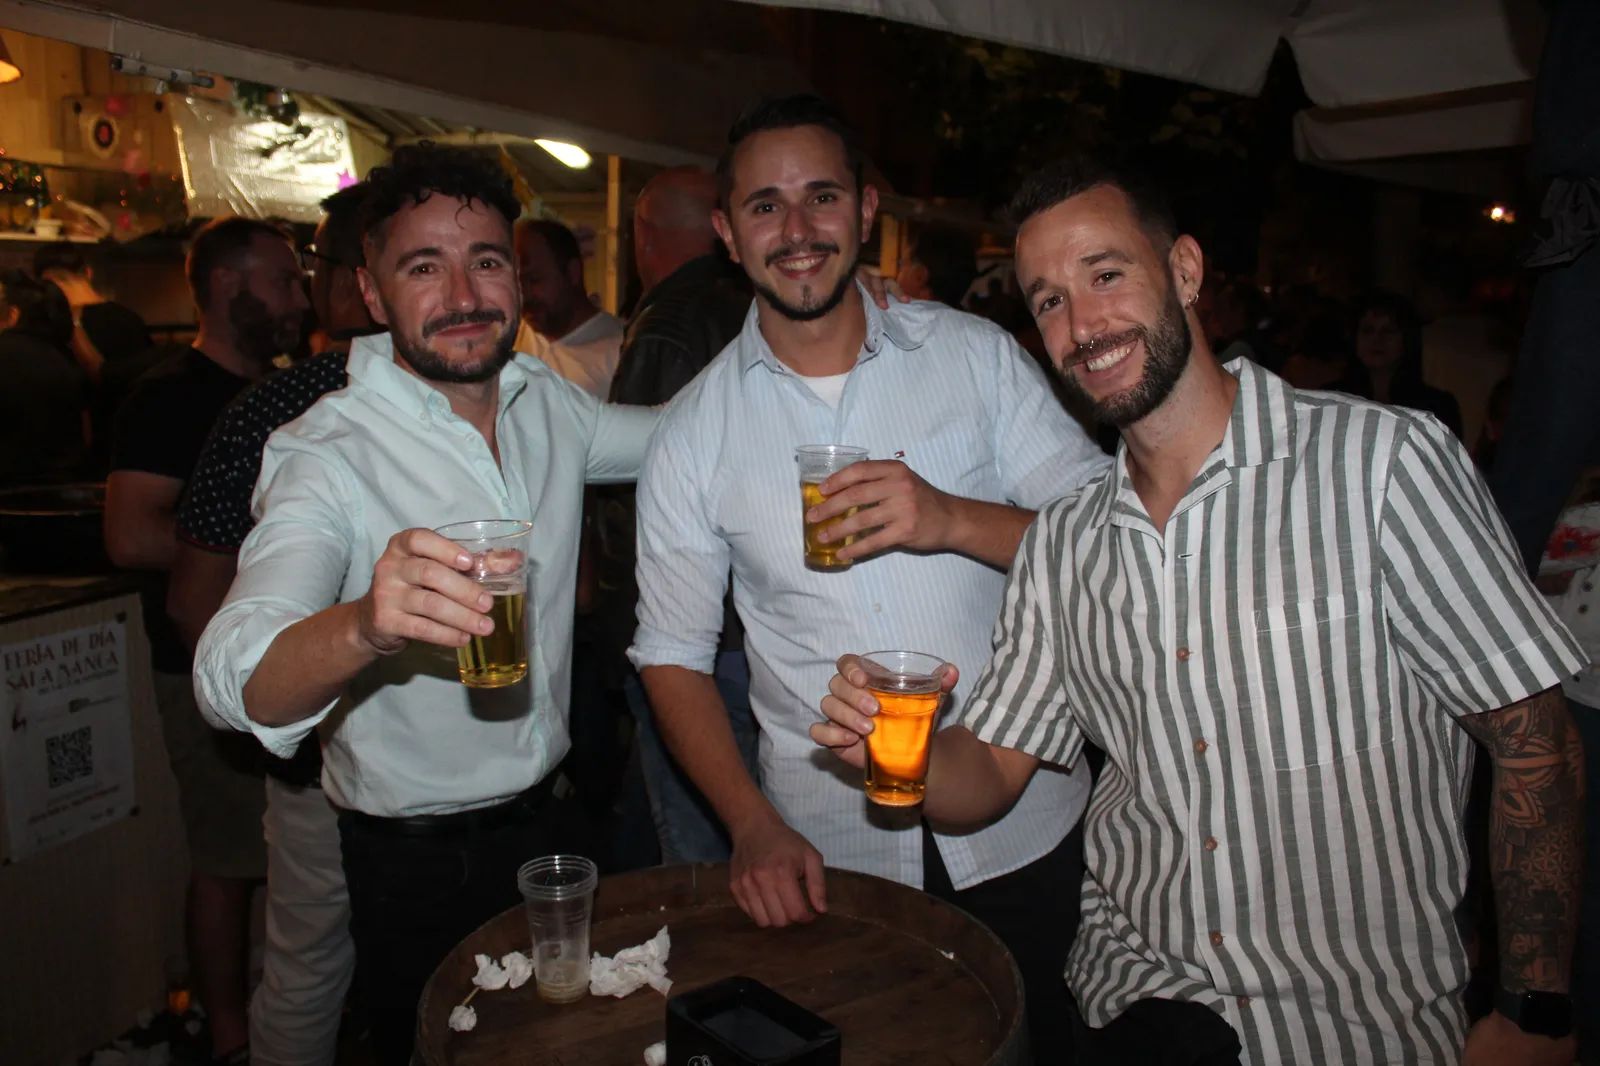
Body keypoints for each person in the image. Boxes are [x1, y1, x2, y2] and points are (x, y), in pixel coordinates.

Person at [812, 155, 1588, 1066]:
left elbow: (1534, 736)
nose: (1083, 325)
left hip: (1353, 1031)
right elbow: (982, 776)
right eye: (1050, 300)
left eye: (1106, 275)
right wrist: (891, 746)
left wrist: (1532, 1011)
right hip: (1131, 1011)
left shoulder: (1381, 466)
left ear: (1184, 270)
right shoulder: (1064, 543)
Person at [627, 94, 1108, 1063]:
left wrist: (950, 518)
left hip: (1027, 817)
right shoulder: (693, 433)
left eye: (820, 197)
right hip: (830, 851)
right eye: (764, 206)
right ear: (726, 231)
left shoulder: (974, 360)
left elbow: (1109, 541)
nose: (796, 230)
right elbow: (673, 658)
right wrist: (750, 826)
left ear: (865, 209)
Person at [192, 144, 657, 1066]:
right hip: (417, 862)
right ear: (371, 294)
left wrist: (810, 330)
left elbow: (687, 438)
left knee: (575, 1046)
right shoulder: (325, 451)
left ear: (516, 282)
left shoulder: (546, 407)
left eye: (486, 260)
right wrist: (365, 620)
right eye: (422, 267)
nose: (463, 293)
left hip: (560, 825)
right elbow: (232, 674)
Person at [167, 183, 376, 1066]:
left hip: (348, 762)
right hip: (353, 754)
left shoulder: (271, 407)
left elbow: (191, 596)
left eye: (318, 266)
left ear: (356, 282)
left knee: (313, 973)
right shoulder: (504, 393)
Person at [105, 215, 308, 1065]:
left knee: (287, 864)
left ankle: (269, 1017)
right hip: (199, 663)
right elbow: (128, 533)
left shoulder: (287, 389)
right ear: (231, 288)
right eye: (286, 281)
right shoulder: (171, 396)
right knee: (227, 857)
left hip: (281, 663)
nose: (300, 298)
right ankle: (228, 1036)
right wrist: (263, 551)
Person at [601, 167, 760, 865]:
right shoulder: (762, 307)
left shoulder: (667, 325)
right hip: (753, 629)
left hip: (691, 643)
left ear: (644, 235)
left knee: (709, 853)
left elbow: (639, 498)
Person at [32, 242, 157, 468]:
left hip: (84, 455)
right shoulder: (129, 318)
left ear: (45, 284)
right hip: (136, 445)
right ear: (88, 272)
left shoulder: (54, 327)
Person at [512, 217, 624, 397]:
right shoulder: (510, 338)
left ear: (573, 273)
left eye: (534, 280)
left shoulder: (621, 351)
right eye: (517, 283)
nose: (524, 295)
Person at [0, 269, 88, 485]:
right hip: (61, 490)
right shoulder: (65, 358)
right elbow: (86, 435)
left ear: (13, 315)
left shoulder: (6, 353)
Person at [1337, 289, 1463, 439]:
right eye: (1367, 330)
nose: (1377, 339)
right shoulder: (1333, 398)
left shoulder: (1437, 406)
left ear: (1406, 340)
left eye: (1389, 331)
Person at [894, 226, 977, 309]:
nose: (896, 278)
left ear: (919, 276)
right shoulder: (968, 320)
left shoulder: (894, 316)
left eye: (902, 265)